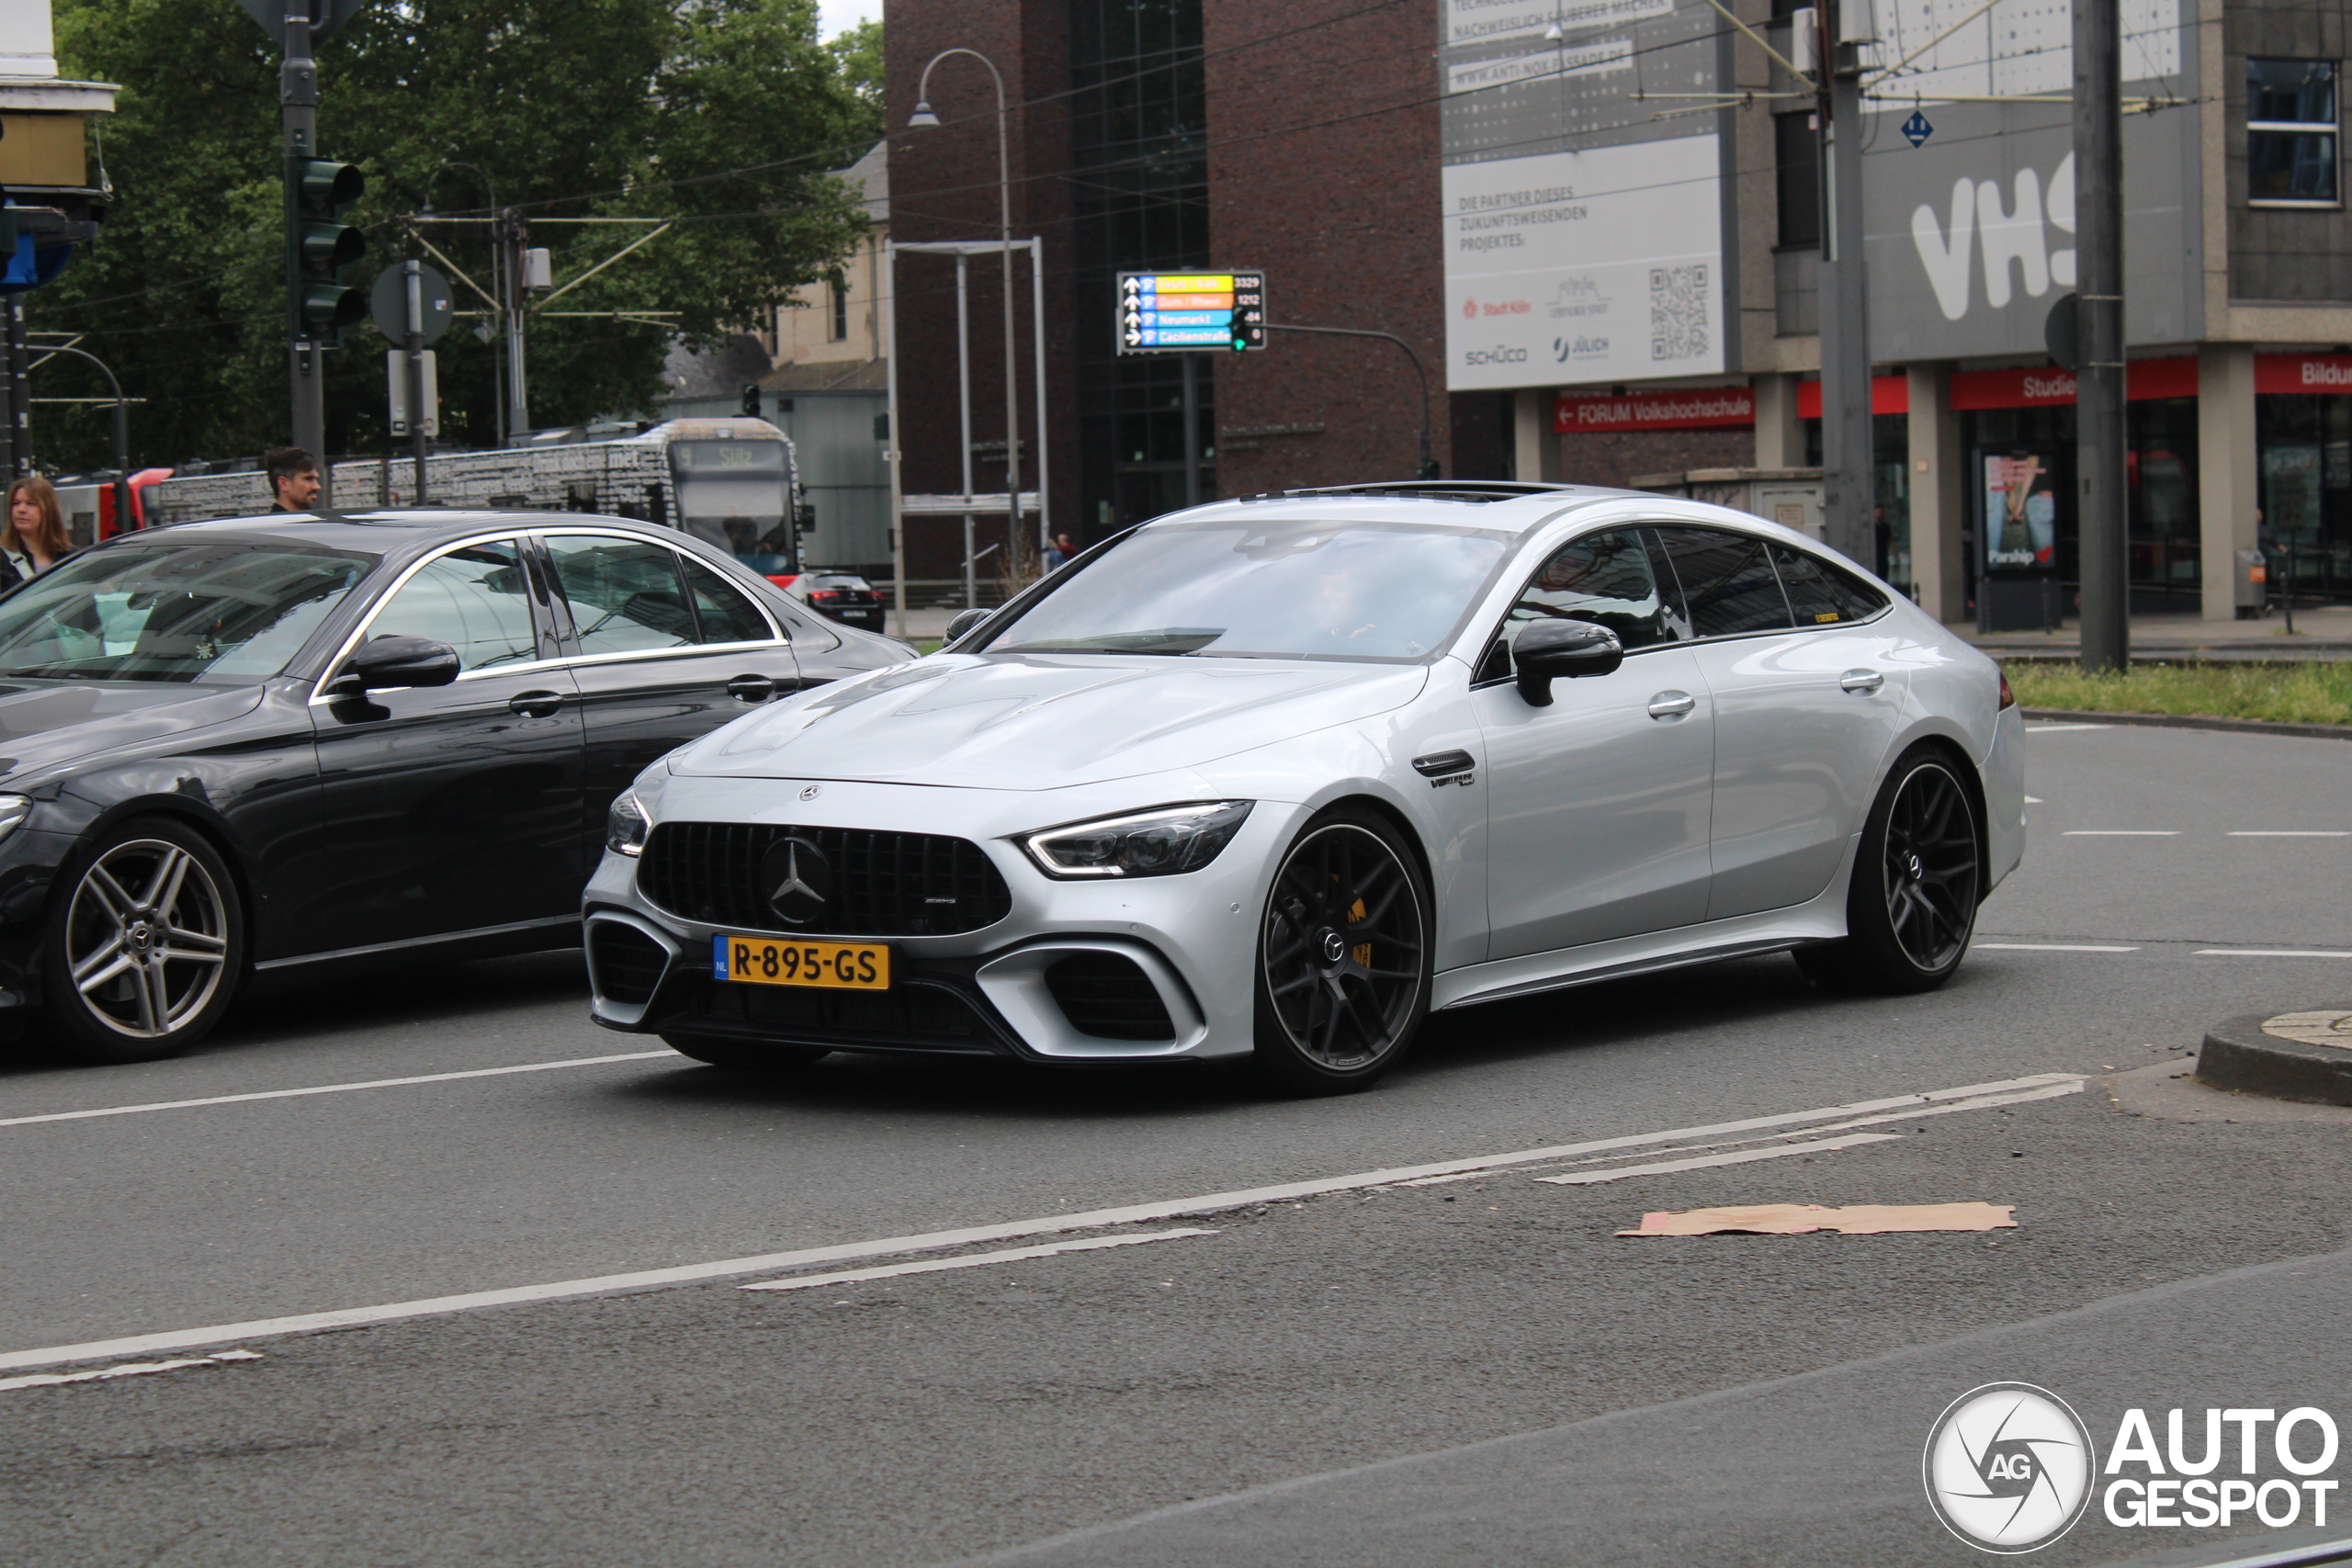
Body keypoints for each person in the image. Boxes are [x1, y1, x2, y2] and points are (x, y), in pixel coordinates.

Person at [2, 474, 72, 581]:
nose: (21, 509)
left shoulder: (71, 557)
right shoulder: (3, 558)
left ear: (48, 510)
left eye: (31, 503)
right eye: (16, 503)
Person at [265, 446, 322, 513]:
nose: (317, 486)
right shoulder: (274, 522)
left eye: (315, 479)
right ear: (284, 483)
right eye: (308, 479)